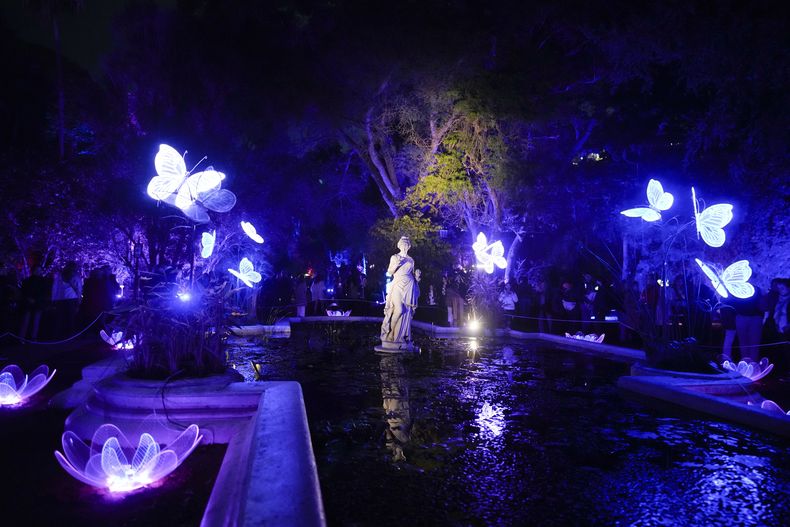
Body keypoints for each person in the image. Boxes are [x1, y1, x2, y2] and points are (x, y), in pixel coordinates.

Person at [379, 236, 420, 349]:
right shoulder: (395, 257)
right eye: (403, 244)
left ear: (409, 246)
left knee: (406, 312)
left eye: (407, 245)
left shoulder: (411, 260)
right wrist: (396, 264)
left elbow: (411, 274)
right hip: (397, 284)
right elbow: (390, 272)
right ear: (399, 245)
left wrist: (416, 277)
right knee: (399, 310)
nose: (405, 246)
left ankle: (400, 336)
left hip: (409, 286)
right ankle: (391, 333)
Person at [19, 266, 52, 340]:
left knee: (33, 321)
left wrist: (31, 299)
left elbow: (44, 292)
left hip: (35, 303)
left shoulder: (30, 280)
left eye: (39, 270)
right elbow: (24, 291)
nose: (39, 271)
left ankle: (29, 337)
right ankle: (26, 337)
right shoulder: (29, 280)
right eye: (37, 270)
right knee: (29, 321)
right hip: (33, 303)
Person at [51, 261, 82, 338]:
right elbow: (78, 289)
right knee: (70, 318)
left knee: (59, 318)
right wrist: (79, 300)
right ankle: (69, 336)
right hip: (71, 299)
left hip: (60, 299)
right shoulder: (75, 276)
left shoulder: (59, 276)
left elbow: (54, 288)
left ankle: (57, 336)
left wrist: (53, 299)